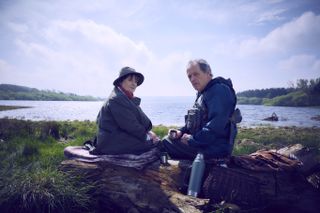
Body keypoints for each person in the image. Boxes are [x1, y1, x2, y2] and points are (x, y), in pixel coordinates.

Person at [161, 59, 238, 160]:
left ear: (208, 73)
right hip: (204, 144)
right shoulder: (203, 93)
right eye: (189, 76)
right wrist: (180, 132)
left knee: (166, 142)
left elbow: (215, 126)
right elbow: (193, 123)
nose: (192, 79)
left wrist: (192, 140)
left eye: (196, 74)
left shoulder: (219, 90)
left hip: (215, 149)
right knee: (168, 140)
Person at [92, 66, 159, 155]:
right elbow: (131, 125)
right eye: (130, 80)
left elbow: (143, 122)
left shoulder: (126, 97)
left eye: (136, 81)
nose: (134, 84)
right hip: (111, 142)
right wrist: (148, 137)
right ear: (121, 81)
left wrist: (149, 132)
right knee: (155, 143)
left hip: (118, 138)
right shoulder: (116, 99)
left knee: (155, 141)